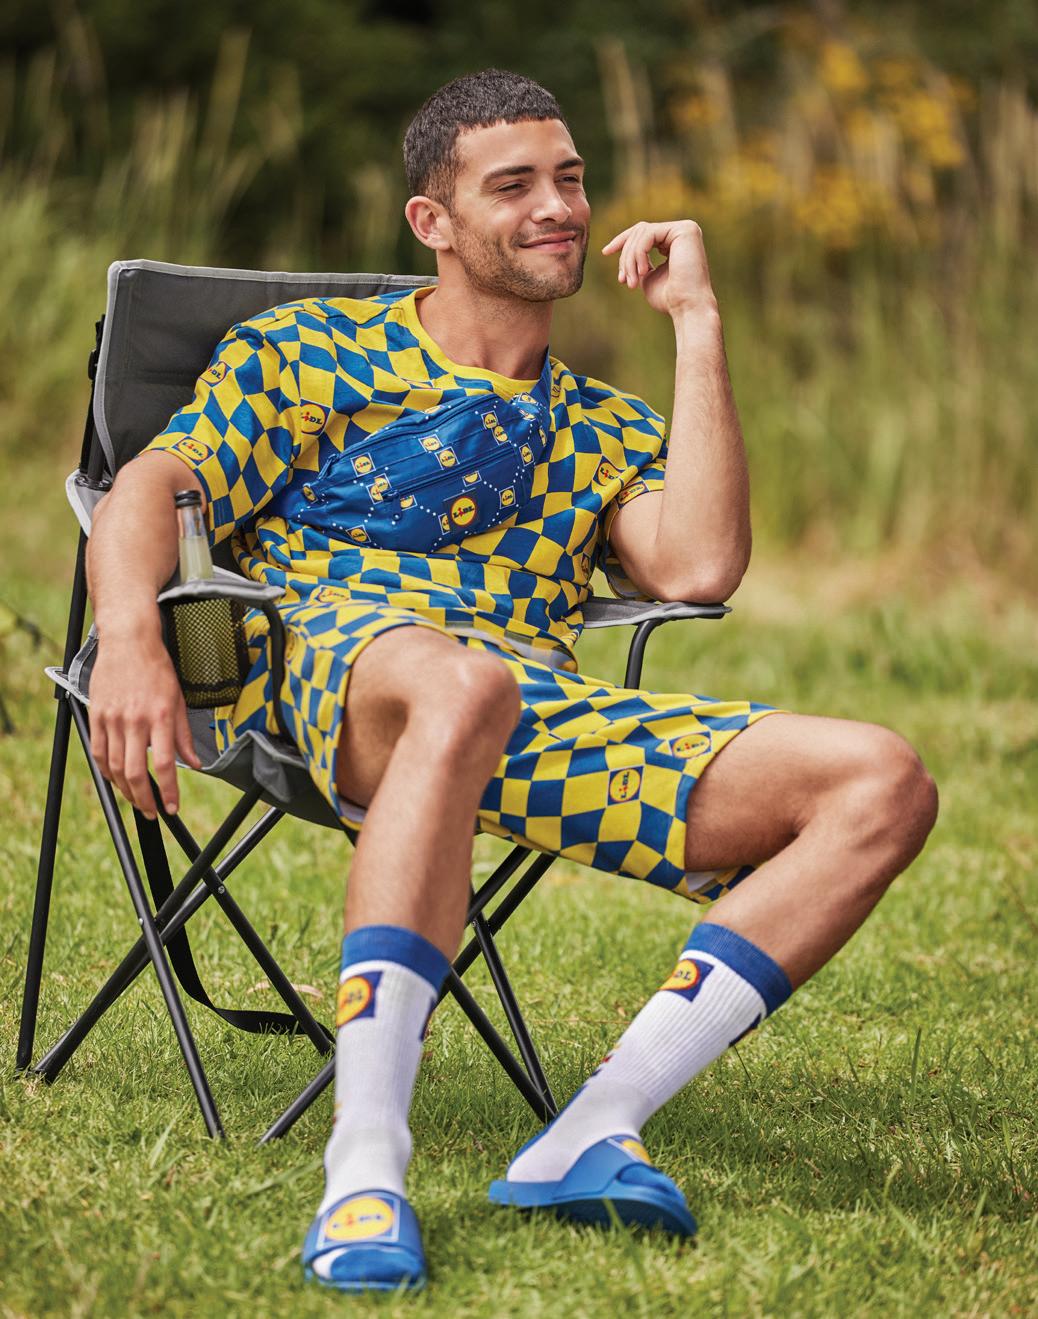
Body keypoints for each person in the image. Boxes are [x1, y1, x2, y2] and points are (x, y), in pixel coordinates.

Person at [85, 69, 938, 1293]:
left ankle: (592, 1126)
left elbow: (699, 565)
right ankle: (364, 1160)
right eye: (516, 185)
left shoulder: (600, 425)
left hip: (526, 704)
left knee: (881, 779)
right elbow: (152, 485)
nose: (560, 207)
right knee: (461, 686)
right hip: (324, 664)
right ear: (432, 221)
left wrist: (697, 324)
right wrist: (128, 637)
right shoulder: (314, 350)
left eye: (572, 179)